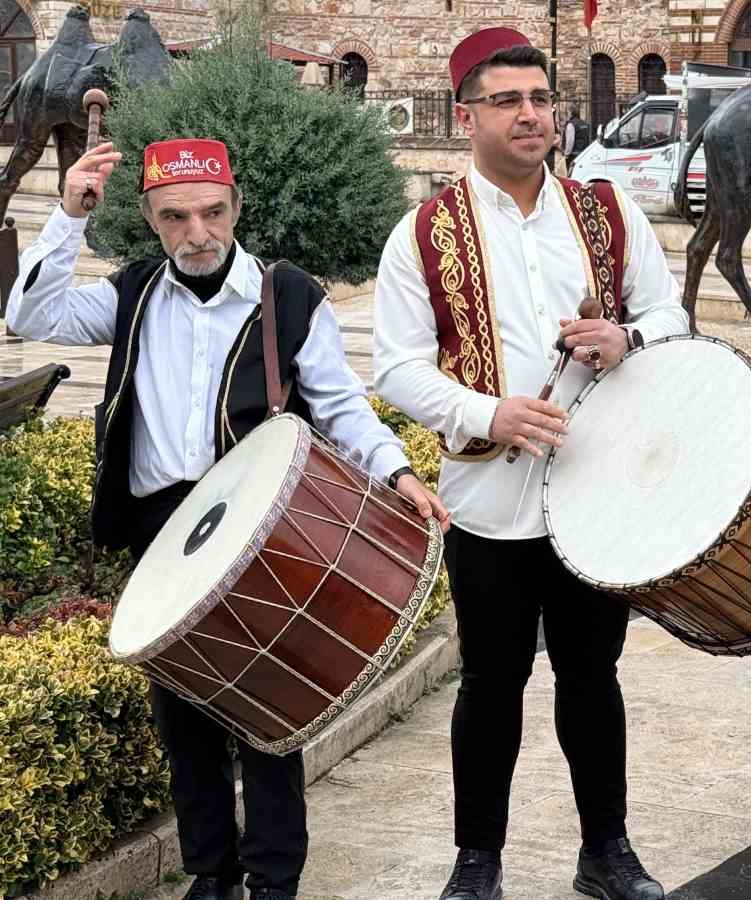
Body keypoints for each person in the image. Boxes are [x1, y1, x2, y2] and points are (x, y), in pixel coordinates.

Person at [7, 136, 448, 900]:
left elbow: (342, 406)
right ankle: (210, 874)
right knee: (182, 718)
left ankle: (273, 879)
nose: (198, 234)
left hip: (262, 529)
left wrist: (399, 472)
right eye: (176, 218)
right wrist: (67, 216)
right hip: (162, 530)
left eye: (212, 213)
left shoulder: (287, 296)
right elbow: (29, 311)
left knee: (269, 708)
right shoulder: (133, 292)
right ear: (151, 220)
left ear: (236, 207)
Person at [371, 27, 689, 900]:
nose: (530, 116)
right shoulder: (423, 234)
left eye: (541, 99)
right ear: (466, 116)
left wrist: (626, 337)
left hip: (599, 493)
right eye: (508, 101)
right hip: (489, 497)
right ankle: (478, 861)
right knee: (491, 684)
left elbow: (673, 317)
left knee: (594, 680)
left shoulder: (607, 211)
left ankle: (607, 852)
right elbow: (395, 365)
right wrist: (489, 413)